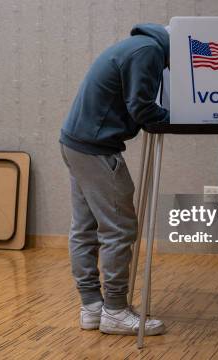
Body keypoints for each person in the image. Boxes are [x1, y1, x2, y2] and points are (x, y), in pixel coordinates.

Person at [59, 23, 169, 336]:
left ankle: (92, 307)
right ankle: (116, 310)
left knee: (85, 228)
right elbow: (142, 107)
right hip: (96, 149)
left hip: (74, 142)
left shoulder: (136, 46)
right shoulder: (150, 51)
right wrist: (177, 116)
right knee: (120, 228)